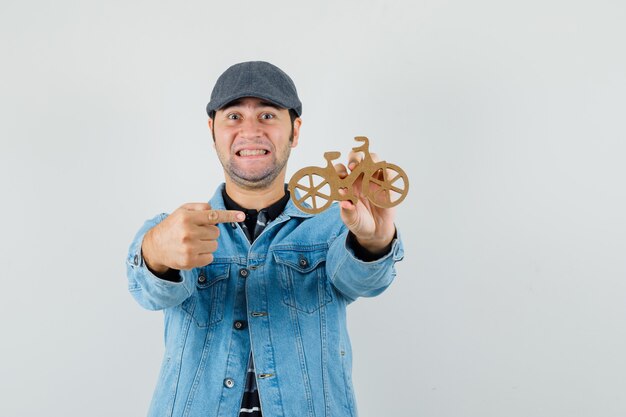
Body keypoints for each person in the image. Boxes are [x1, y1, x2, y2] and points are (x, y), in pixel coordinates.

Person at [126, 61, 404, 417]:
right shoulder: (177, 230)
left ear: (295, 130)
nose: (251, 130)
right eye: (234, 116)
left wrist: (374, 241)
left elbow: (362, 279)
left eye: (268, 115)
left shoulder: (336, 227)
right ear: (212, 130)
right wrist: (155, 252)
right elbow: (148, 291)